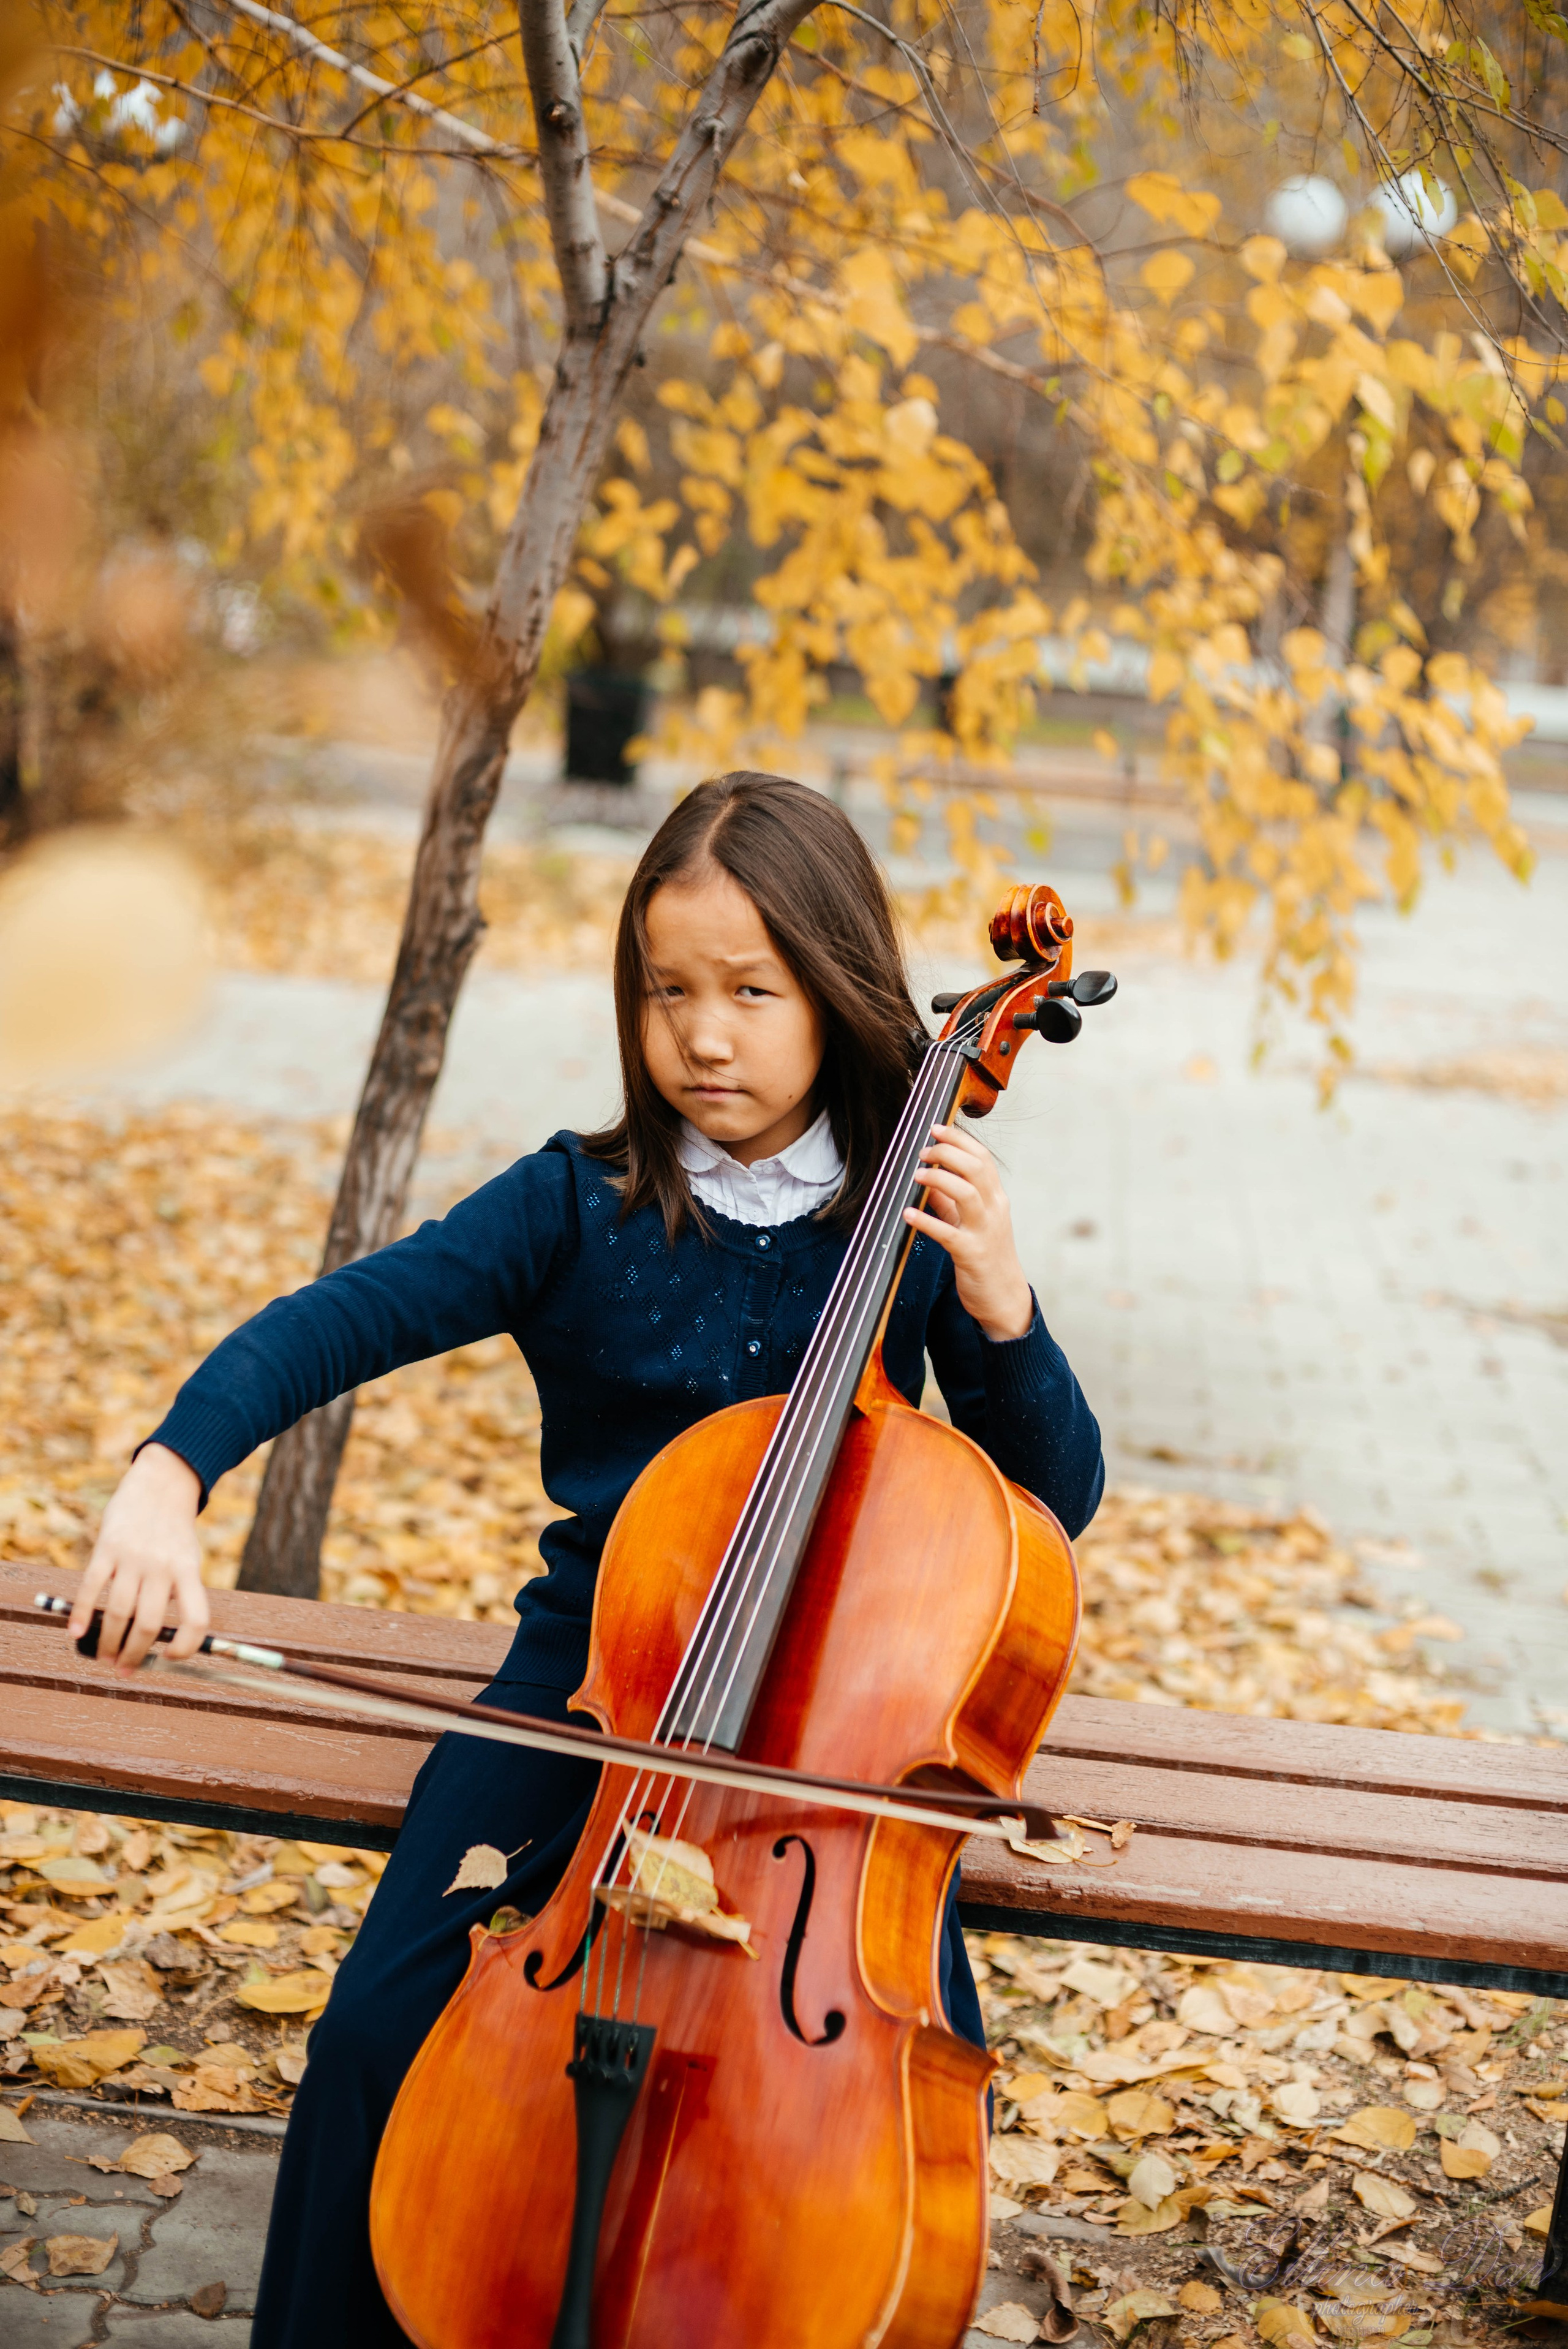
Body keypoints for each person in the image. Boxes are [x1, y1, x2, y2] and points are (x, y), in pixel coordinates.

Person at [74, 770, 1104, 2345]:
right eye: (666, 990)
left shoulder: (908, 1215)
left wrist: (1001, 1305)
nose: (703, 1036)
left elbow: (1051, 1499)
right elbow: (338, 1319)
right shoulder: (579, 1200)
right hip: (589, 1693)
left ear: (834, 991)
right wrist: (169, 1474)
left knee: (874, 2130)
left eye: (751, 992)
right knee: (374, 2037)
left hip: (827, 1758)